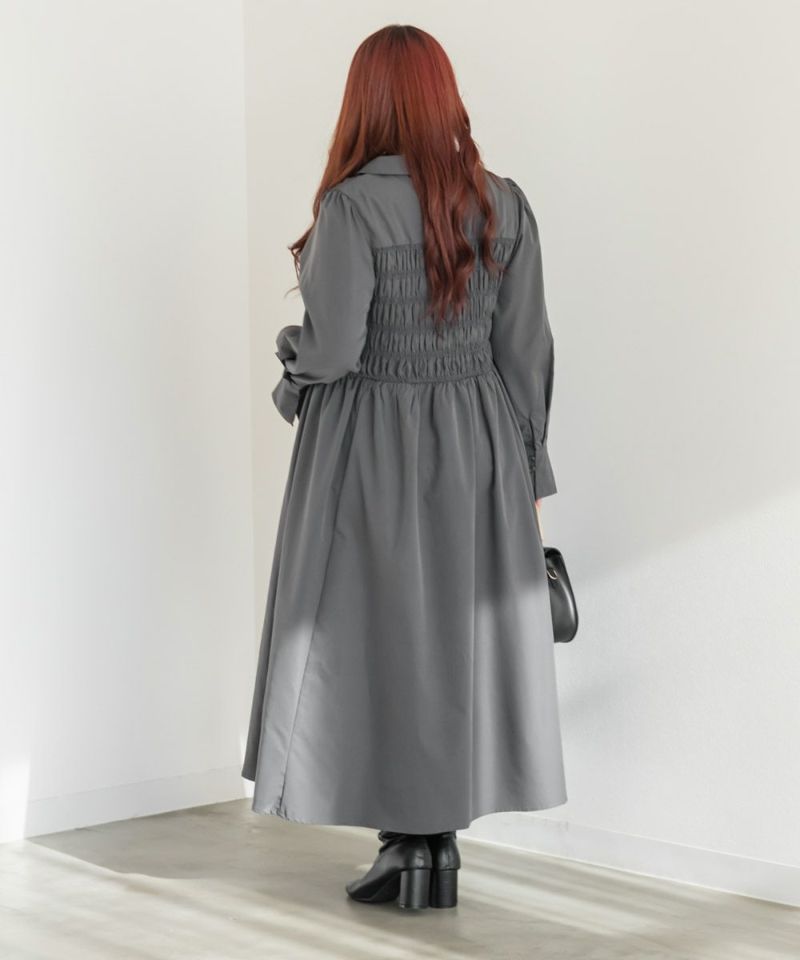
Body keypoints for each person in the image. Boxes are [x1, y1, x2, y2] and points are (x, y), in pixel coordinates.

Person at [241, 23, 567, 911]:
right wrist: (529, 481)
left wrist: (290, 367)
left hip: (368, 445)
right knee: (453, 639)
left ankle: (407, 846)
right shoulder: (505, 205)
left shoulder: (352, 207)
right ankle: (432, 848)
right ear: (442, 96)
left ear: (367, 102)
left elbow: (334, 348)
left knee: (374, 638)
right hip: (481, 445)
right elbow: (526, 354)